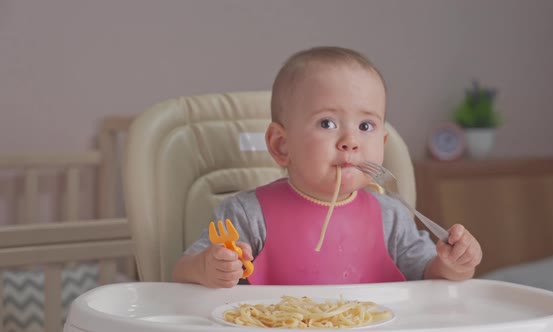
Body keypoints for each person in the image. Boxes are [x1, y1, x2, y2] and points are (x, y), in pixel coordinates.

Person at [172, 46, 482, 288]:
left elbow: (430, 279)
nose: (350, 140)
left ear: (382, 143)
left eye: (365, 125)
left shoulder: (392, 217)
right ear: (282, 145)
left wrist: (453, 265)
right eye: (327, 122)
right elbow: (181, 272)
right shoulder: (247, 215)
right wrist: (208, 268)